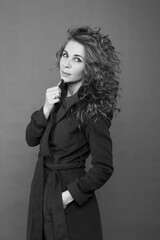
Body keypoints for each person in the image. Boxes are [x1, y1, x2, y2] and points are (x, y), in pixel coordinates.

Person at [25, 26, 120, 240]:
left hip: (69, 199)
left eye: (77, 59)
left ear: (90, 68)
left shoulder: (94, 110)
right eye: (65, 55)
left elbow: (104, 167)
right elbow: (31, 139)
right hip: (42, 189)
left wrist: (68, 197)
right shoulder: (56, 96)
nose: (66, 64)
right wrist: (46, 108)